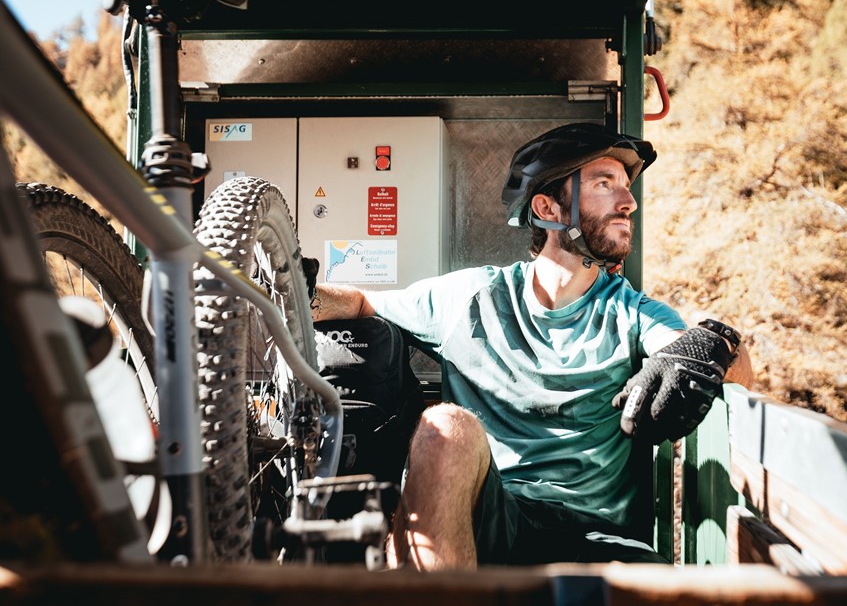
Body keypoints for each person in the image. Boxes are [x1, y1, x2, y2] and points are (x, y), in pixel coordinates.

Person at [311, 123, 753, 569]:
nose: (629, 201)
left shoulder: (634, 312)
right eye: (605, 183)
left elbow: (714, 360)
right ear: (548, 207)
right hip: (493, 524)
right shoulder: (470, 297)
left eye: (626, 185)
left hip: (600, 539)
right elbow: (362, 302)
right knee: (444, 426)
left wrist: (711, 346)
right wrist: (290, 286)